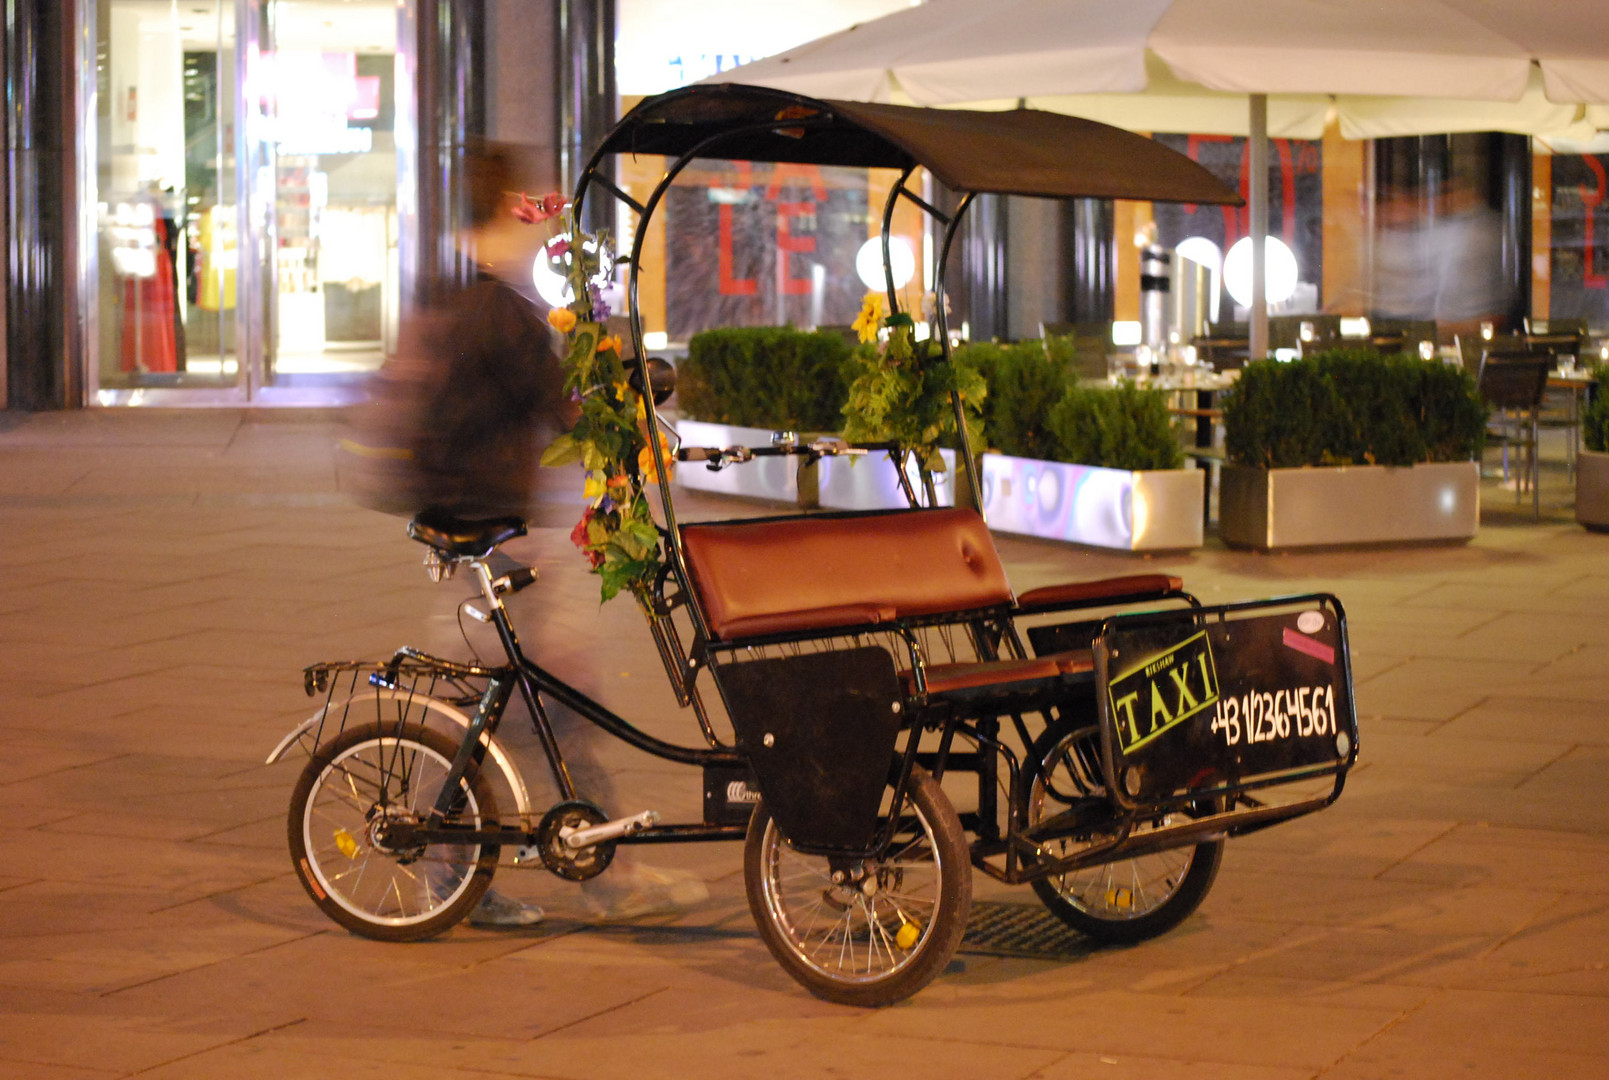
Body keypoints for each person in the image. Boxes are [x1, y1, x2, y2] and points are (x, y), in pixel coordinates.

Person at [365, 139, 705, 928]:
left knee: (496, 705)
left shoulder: (455, 299)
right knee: (552, 703)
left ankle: (466, 871)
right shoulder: (500, 313)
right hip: (497, 537)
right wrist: (630, 418)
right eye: (533, 207)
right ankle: (598, 876)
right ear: (510, 209)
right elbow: (563, 409)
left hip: (476, 531)